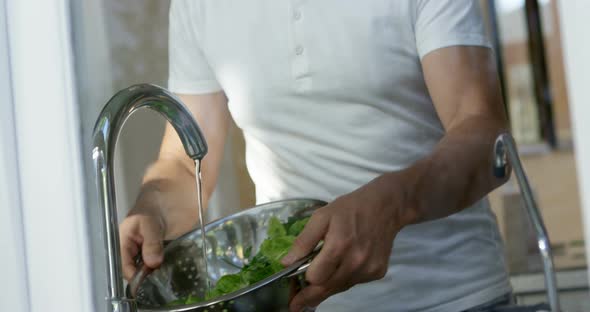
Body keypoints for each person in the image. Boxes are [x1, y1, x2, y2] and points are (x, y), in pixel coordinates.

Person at [120, 1, 513, 311]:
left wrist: (394, 203)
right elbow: (186, 167)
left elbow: (484, 137)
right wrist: (153, 205)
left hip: (456, 298)